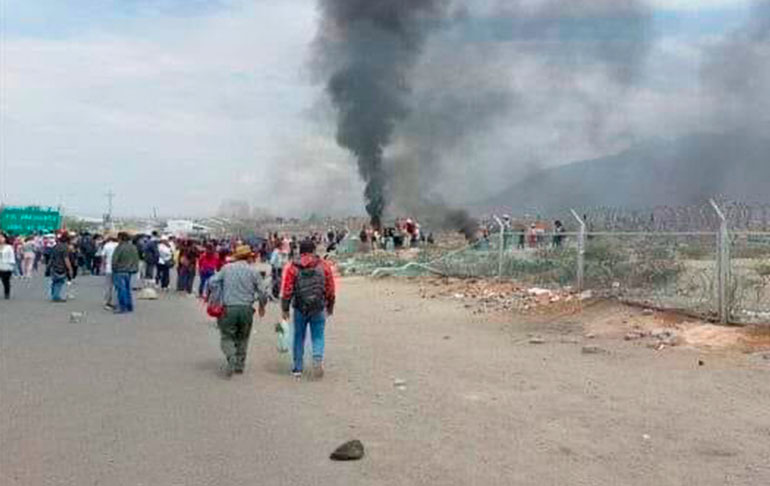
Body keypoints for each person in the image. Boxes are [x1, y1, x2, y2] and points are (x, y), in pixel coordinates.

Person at [207, 245, 268, 377]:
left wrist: (218, 294)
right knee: (243, 337)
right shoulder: (253, 272)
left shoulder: (226, 268)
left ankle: (231, 356)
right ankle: (240, 365)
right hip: (246, 309)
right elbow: (263, 292)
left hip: (229, 308)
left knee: (227, 336)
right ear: (249, 257)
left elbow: (212, 282)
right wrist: (262, 306)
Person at [281, 239, 336, 380]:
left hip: (300, 307)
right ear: (313, 250)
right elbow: (330, 287)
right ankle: (317, 358)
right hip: (318, 307)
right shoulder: (323, 266)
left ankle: (298, 368)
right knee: (318, 336)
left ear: (300, 251)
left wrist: (285, 308)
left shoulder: (293, 267)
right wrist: (330, 305)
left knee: (299, 337)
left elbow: (287, 290)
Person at [111, 232, 140, 314]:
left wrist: (114, 269)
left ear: (120, 238)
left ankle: (122, 307)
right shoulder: (133, 247)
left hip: (120, 271)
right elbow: (136, 259)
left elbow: (114, 260)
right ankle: (129, 306)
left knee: (121, 290)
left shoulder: (120, 247)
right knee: (127, 289)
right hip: (130, 271)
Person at [48, 233, 73, 302]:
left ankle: (53, 295)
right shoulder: (65, 248)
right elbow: (66, 259)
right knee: (59, 282)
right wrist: (70, 268)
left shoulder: (55, 246)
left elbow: (51, 258)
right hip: (61, 267)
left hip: (54, 266)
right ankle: (56, 296)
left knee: (54, 282)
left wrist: (49, 266)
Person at [99, 235, 119, 310]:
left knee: (108, 286)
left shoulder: (106, 245)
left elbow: (103, 257)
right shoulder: (118, 245)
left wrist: (103, 267)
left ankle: (107, 303)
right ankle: (116, 302)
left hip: (109, 268)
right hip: (118, 269)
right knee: (117, 286)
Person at [0, 232, 16, 299]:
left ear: (5, 238)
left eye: (1, 237)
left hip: (6, 266)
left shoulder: (9, 247)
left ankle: (7, 293)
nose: (0, 239)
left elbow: (12, 257)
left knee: (5, 281)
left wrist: (11, 267)